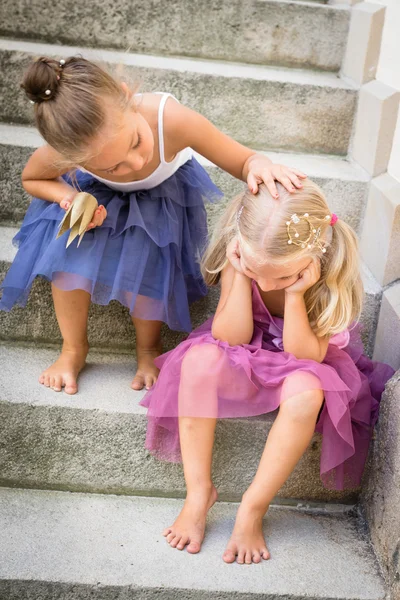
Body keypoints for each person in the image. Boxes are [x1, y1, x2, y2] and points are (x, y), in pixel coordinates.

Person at [0, 56, 305, 394]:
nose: (134, 163)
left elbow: (244, 160)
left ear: (127, 96)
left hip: (160, 202)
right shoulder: (66, 148)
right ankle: (73, 348)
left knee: (147, 255)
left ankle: (148, 348)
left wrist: (261, 165)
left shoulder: (170, 119)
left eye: (135, 142)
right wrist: (68, 198)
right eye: (113, 166)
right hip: (98, 201)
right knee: (68, 258)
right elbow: (32, 177)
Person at [140, 180, 394, 564]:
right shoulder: (242, 258)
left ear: (312, 257)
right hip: (243, 347)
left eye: (281, 276)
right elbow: (230, 336)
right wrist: (241, 274)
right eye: (259, 272)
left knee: (308, 391)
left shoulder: (329, 274)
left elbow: (305, 354)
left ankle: (253, 506)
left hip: (303, 355)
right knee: (196, 361)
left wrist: (294, 294)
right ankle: (198, 491)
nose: (267, 283)